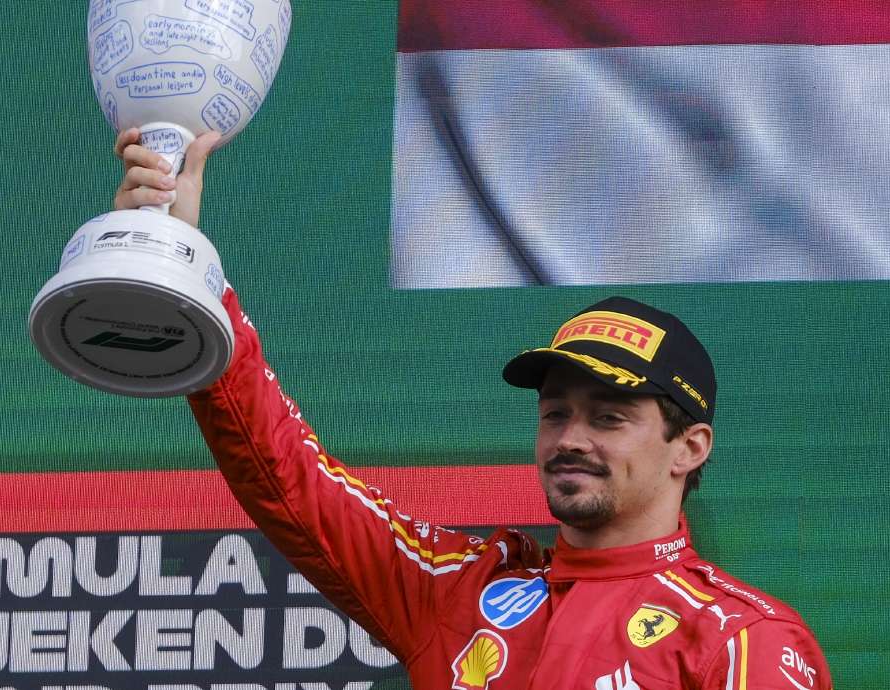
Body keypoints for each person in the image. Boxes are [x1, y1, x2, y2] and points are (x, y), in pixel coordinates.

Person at [113, 128, 833, 690]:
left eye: (609, 418)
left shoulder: (741, 639)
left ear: (690, 447)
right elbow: (290, 477)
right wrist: (182, 263)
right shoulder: (459, 591)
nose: (570, 438)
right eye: (555, 413)